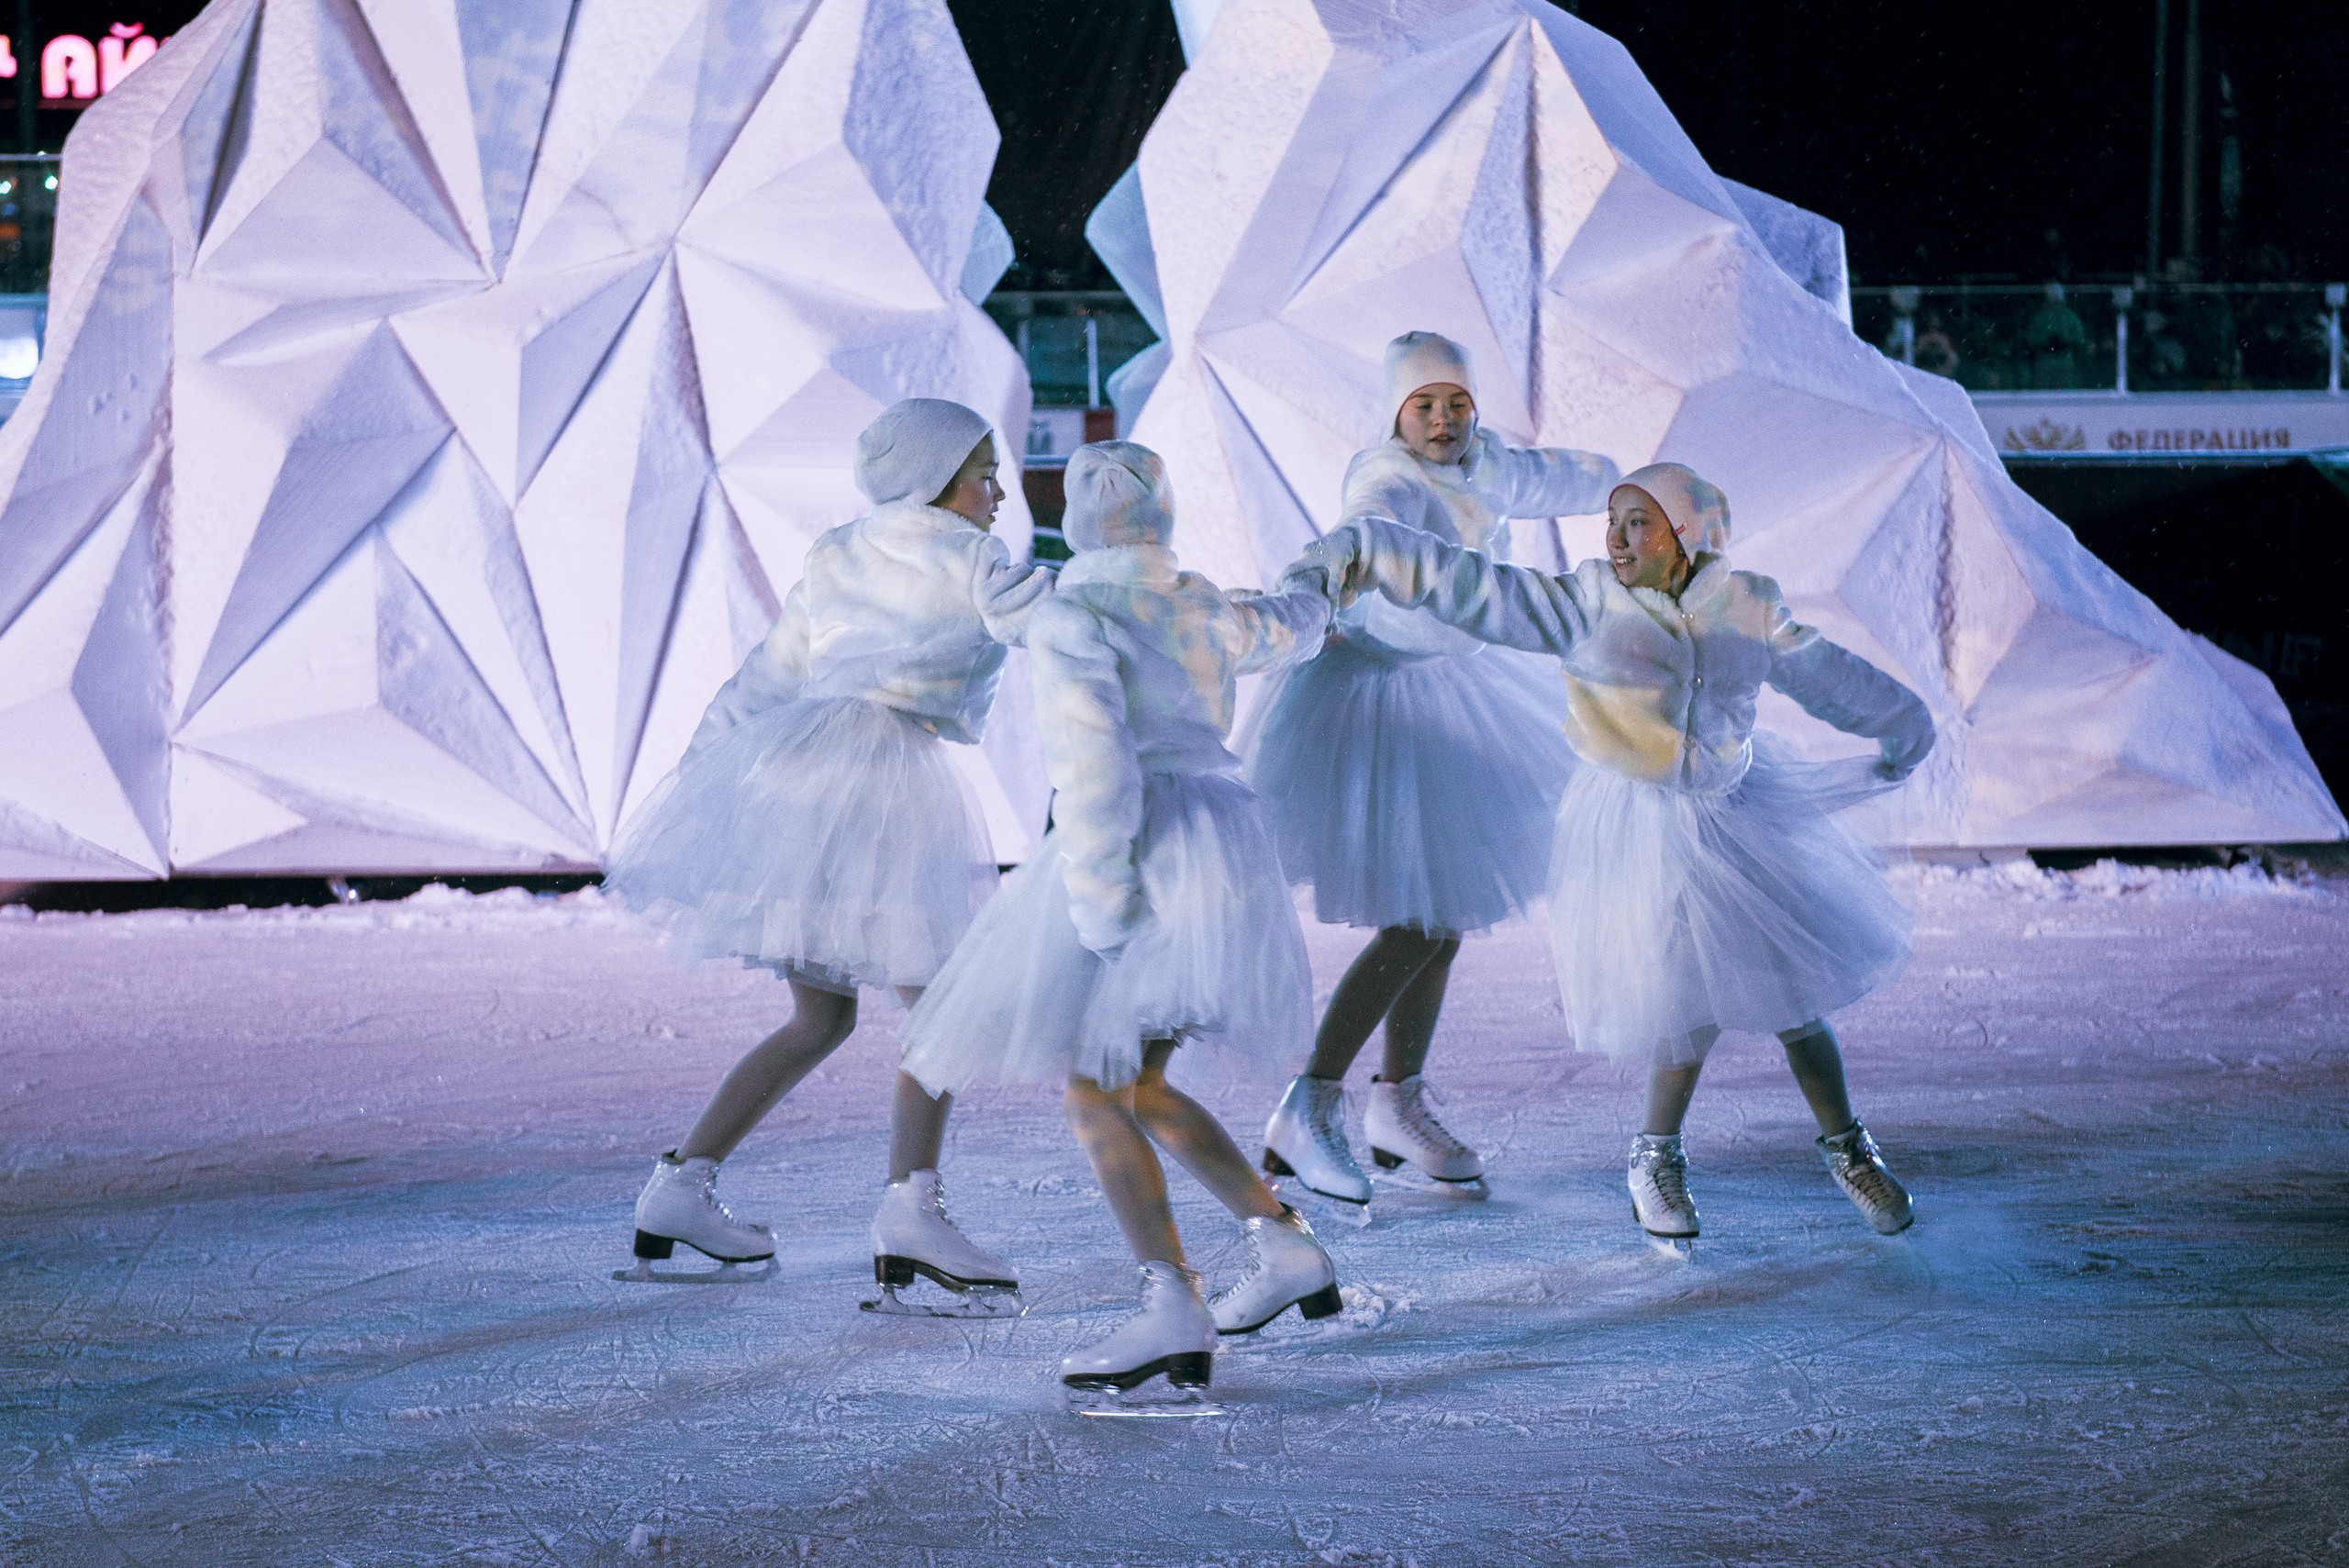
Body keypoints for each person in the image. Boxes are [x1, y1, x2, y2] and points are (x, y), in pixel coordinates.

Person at [1284, 462, 1934, 1250]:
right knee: (1684, 1001)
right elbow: (1476, 586)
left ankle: (1848, 1148)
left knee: (1793, 998)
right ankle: (1655, 1156)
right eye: (1613, 522)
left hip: (1738, 814)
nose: (1618, 539)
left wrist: (1906, 725)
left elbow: (1830, 674)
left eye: (1639, 523)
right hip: (1641, 828)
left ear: (1685, 536)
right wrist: (1373, 547)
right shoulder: (1589, 602)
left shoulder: (1746, 606)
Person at [900, 442, 1341, 1400]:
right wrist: (1323, 583)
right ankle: (1281, 1243)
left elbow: (1094, 767)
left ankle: (1173, 1300)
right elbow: (1286, 625)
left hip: (1134, 851)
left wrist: (1101, 916)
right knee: (1132, 1084)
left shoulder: (1074, 613)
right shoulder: (1198, 601)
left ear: (1078, 521)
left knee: (1098, 1088)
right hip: (1217, 847)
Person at [604, 398, 1052, 1307]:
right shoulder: (970, 556)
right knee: (941, 1010)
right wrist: (1145, 609)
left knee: (821, 1017)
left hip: (800, 783)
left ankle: (680, 1184)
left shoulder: (837, 551)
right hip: (887, 791)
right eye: (983, 474)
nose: (998, 494)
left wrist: (701, 772)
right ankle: (910, 1209)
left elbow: (769, 674)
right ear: (936, 478)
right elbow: (1048, 622)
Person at [1241, 330, 1620, 1209]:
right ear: (1396, 413)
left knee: (1441, 920)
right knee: (1418, 923)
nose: (1444, 420)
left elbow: (1561, 474)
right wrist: (1320, 578)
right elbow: (1357, 532)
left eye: (1457, 403)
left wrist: (1638, 489)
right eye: (1424, 405)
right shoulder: (1388, 478)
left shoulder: (1488, 464)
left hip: (1458, 681)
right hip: (1385, 701)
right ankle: (1310, 1099)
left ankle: (1396, 1102)